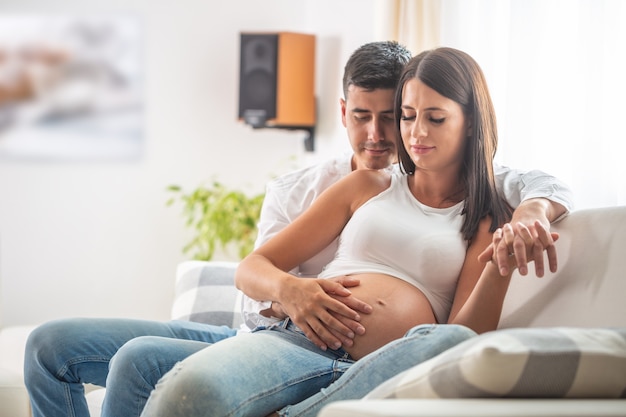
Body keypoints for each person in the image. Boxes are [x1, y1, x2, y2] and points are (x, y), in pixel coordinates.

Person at [23, 42, 572, 417]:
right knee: (129, 358)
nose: (409, 132)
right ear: (344, 112)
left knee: (444, 339)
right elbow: (254, 267)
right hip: (291, 339)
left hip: (360, 359)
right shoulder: (367, 186)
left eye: (433, 117)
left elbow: (460, 338)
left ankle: (320, 400)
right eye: (407, 115)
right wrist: (295, 291)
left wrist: (523, 228)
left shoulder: (486, 212)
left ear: (470, 119)